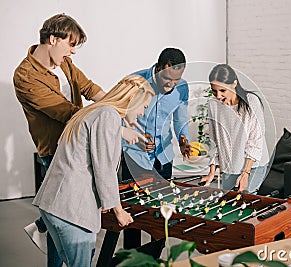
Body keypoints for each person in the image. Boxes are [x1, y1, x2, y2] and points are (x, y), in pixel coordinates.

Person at [13, 14, 140, 266]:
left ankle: (44, 224)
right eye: (70, 44)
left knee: (66, 210)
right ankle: (51, 234)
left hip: (79, 141)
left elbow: (90, 88)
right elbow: (67, 113)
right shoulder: (25, 76)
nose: (72, 52)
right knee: (70, 211)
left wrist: (118, 108)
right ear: (52, 39)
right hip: (56, 149)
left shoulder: (63, 63)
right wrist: (114, 124)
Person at [32, 74, 153, 267]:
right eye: (143, 107)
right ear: (132, 100)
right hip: (70, 210)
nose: (142, 113)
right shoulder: (108, 115)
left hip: (54, 206)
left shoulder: (95, 111)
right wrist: (118, 210)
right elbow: (104, 168)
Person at [122, 47, 191, 181]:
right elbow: (119, 118)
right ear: (158, 68)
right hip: (135, 158)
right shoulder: (134, 83)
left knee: (166, 200)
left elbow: (180, 120)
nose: (171, 84)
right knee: (134, 201)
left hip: (164, 158)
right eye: (167, 78)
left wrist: (184, 139)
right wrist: (136, 141)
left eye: (176, 80)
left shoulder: (182, 87)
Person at [200, 64, 269, 193]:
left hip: (252, 165)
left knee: (245, 203)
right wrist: (211, 172)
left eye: (222, 91)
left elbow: (255, 141)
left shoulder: (251, 102)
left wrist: (245, 173)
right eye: (214, 91)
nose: (218, 96)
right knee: (229, 203)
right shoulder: (213, 105)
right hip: (229, 167)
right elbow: (215, 141)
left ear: (234, 84)